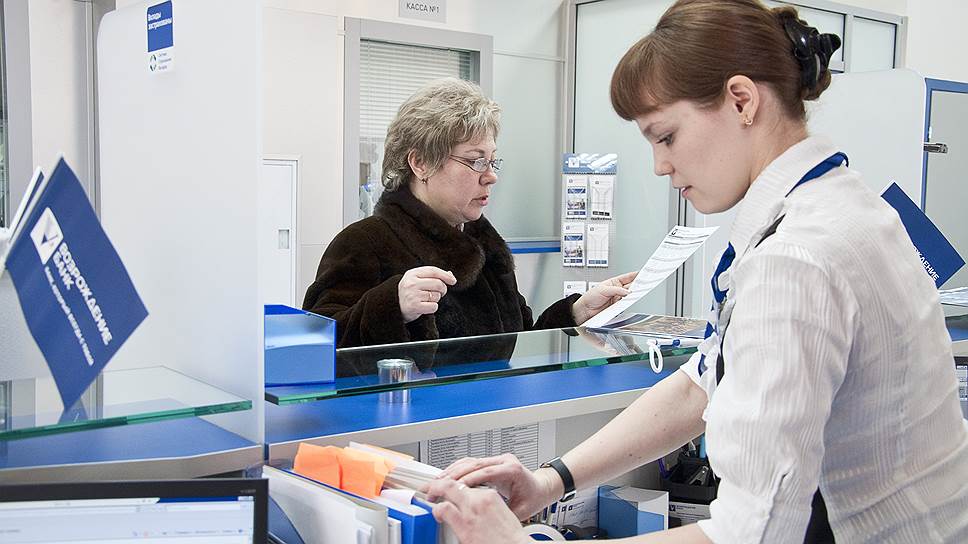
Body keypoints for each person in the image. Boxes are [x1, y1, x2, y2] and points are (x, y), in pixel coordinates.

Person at [425, 1, 968, 542]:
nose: (659, 165)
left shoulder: (797, 256)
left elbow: (753, 532)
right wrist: (551, 481)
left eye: (665, 137)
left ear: (741, 100)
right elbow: (701, 385)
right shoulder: (835, 205)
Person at [303, 78, 634, 348]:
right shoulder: (364, 243)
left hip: (496, 411)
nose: (490, 176)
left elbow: (518, 338)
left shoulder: (485, 244)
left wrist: (576, 312)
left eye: (492, 161)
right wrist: (392, 305)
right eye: (475, 161)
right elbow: (316, 346)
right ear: (420, 163)